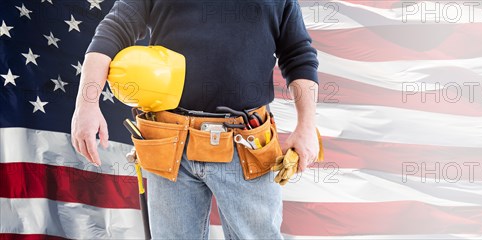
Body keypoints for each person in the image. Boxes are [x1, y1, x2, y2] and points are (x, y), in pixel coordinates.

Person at [70, 1, 320, 239]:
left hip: (247, 144)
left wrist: (307, 127)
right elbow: (113, 29)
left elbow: (298, 54)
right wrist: (87, 104)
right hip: (170, 143)